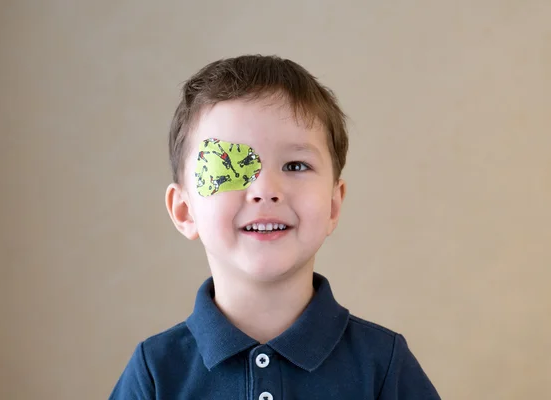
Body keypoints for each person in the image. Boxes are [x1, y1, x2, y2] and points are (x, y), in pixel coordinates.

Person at [109, 55, 441, 399]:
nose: (266, 190)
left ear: (333, 204)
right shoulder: (155, 374)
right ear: (184, 210)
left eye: (295, 165)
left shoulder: (383, 366)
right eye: (231, 166)